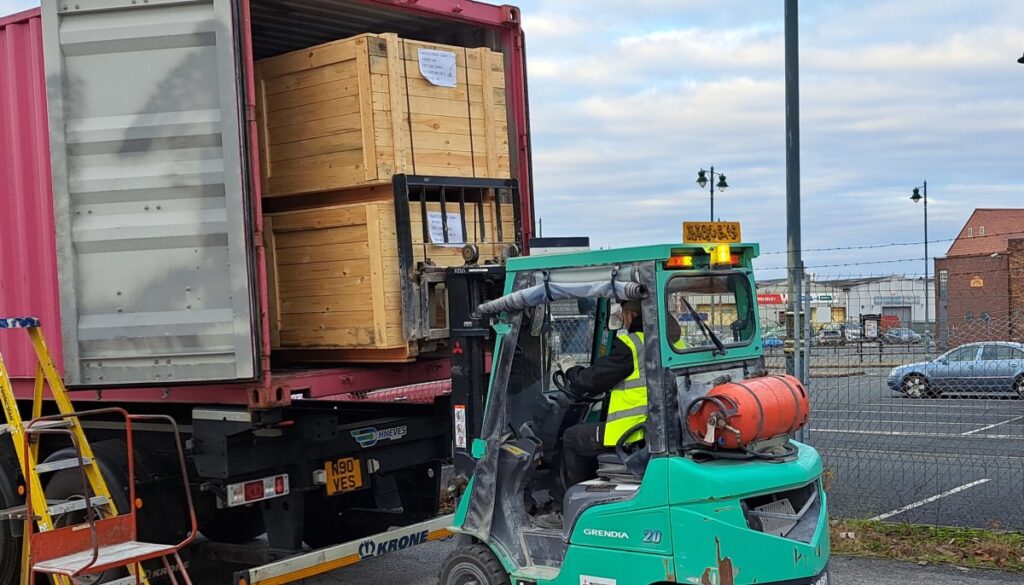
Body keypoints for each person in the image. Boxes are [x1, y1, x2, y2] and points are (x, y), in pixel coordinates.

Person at [558, 299, 649, 490]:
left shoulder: (632, 345)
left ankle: (567, 503)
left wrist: (570, 370)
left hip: (631, 433)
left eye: (623, 315)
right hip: (651, 429)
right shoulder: (673, 342)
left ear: (630, 315)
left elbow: (591, 381)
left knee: (572, 437)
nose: (623, 321)